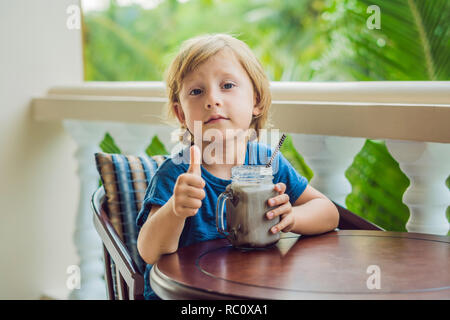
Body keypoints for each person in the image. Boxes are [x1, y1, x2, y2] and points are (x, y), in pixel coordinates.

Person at [136, 34, 339, 300]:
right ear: (181, 114)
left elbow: (329, 213)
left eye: (228, 85)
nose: (212, 100)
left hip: (250, 289)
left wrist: (293, 218)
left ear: (256, 101)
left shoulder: (269, 163)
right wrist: (175, 209)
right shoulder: (177, 173)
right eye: (197, 91)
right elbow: (148, 251)